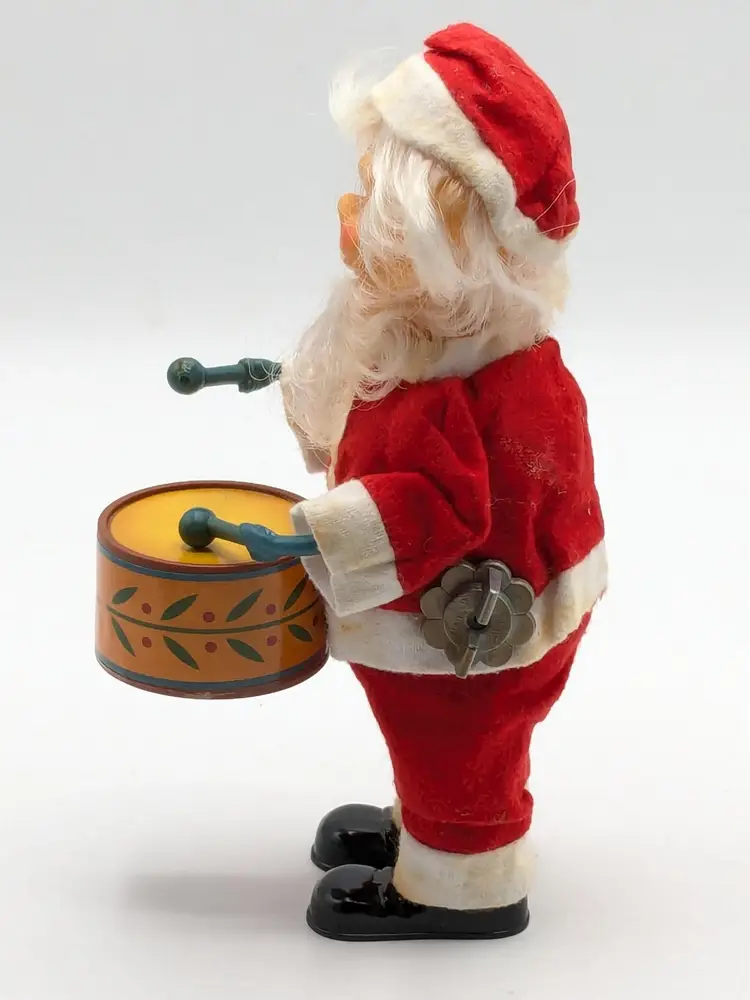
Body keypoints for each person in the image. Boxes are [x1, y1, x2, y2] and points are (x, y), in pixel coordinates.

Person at [279, 21, 608, 942]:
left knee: (460, 742)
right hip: (459, 618)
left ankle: (461, 881)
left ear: (446, 258)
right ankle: (427, 825)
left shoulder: (469, 393)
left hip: (465, 629)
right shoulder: (445, 346)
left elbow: (437, 508)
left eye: (373, 220)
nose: (347, 225)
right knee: (432, 738)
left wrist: (314, 532)